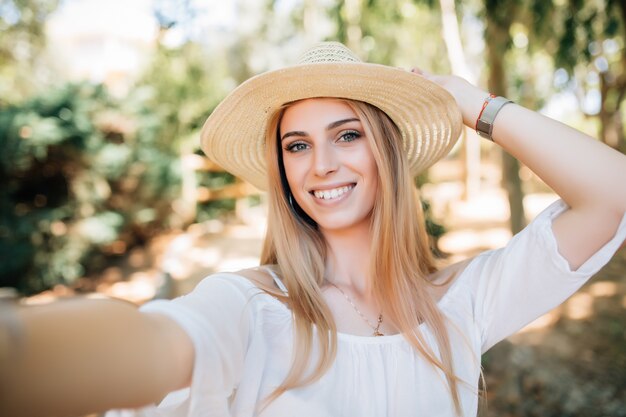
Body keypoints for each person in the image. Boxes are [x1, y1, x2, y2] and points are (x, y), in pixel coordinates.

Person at [1, 41, 625, 417]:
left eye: (347, 135)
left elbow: (612, 194)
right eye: (296, 145)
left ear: (387, 153)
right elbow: (152, 343)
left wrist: (474, 106)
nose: (321, 164)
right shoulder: (250, 307)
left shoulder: (460, 305)